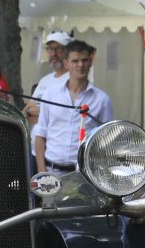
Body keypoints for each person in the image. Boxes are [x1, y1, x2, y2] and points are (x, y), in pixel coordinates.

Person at [32, 39, 114, 172]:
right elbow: (41, 134)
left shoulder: (102, 100)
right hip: (51, 171)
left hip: (84, 174)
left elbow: (107, 141)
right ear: (66, 64)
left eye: (84, 60)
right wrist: (42, 170)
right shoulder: (50, 94)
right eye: (75, 61)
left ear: (90, 61)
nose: (80, 65)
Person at [26, 31, 72, 122]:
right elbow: (28, 108)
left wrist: (33, 111)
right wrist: (30, 111)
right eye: (50, 49)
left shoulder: (74, 81)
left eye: (58, 49)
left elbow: (61, 113)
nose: (53, 54)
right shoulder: (45, 80)